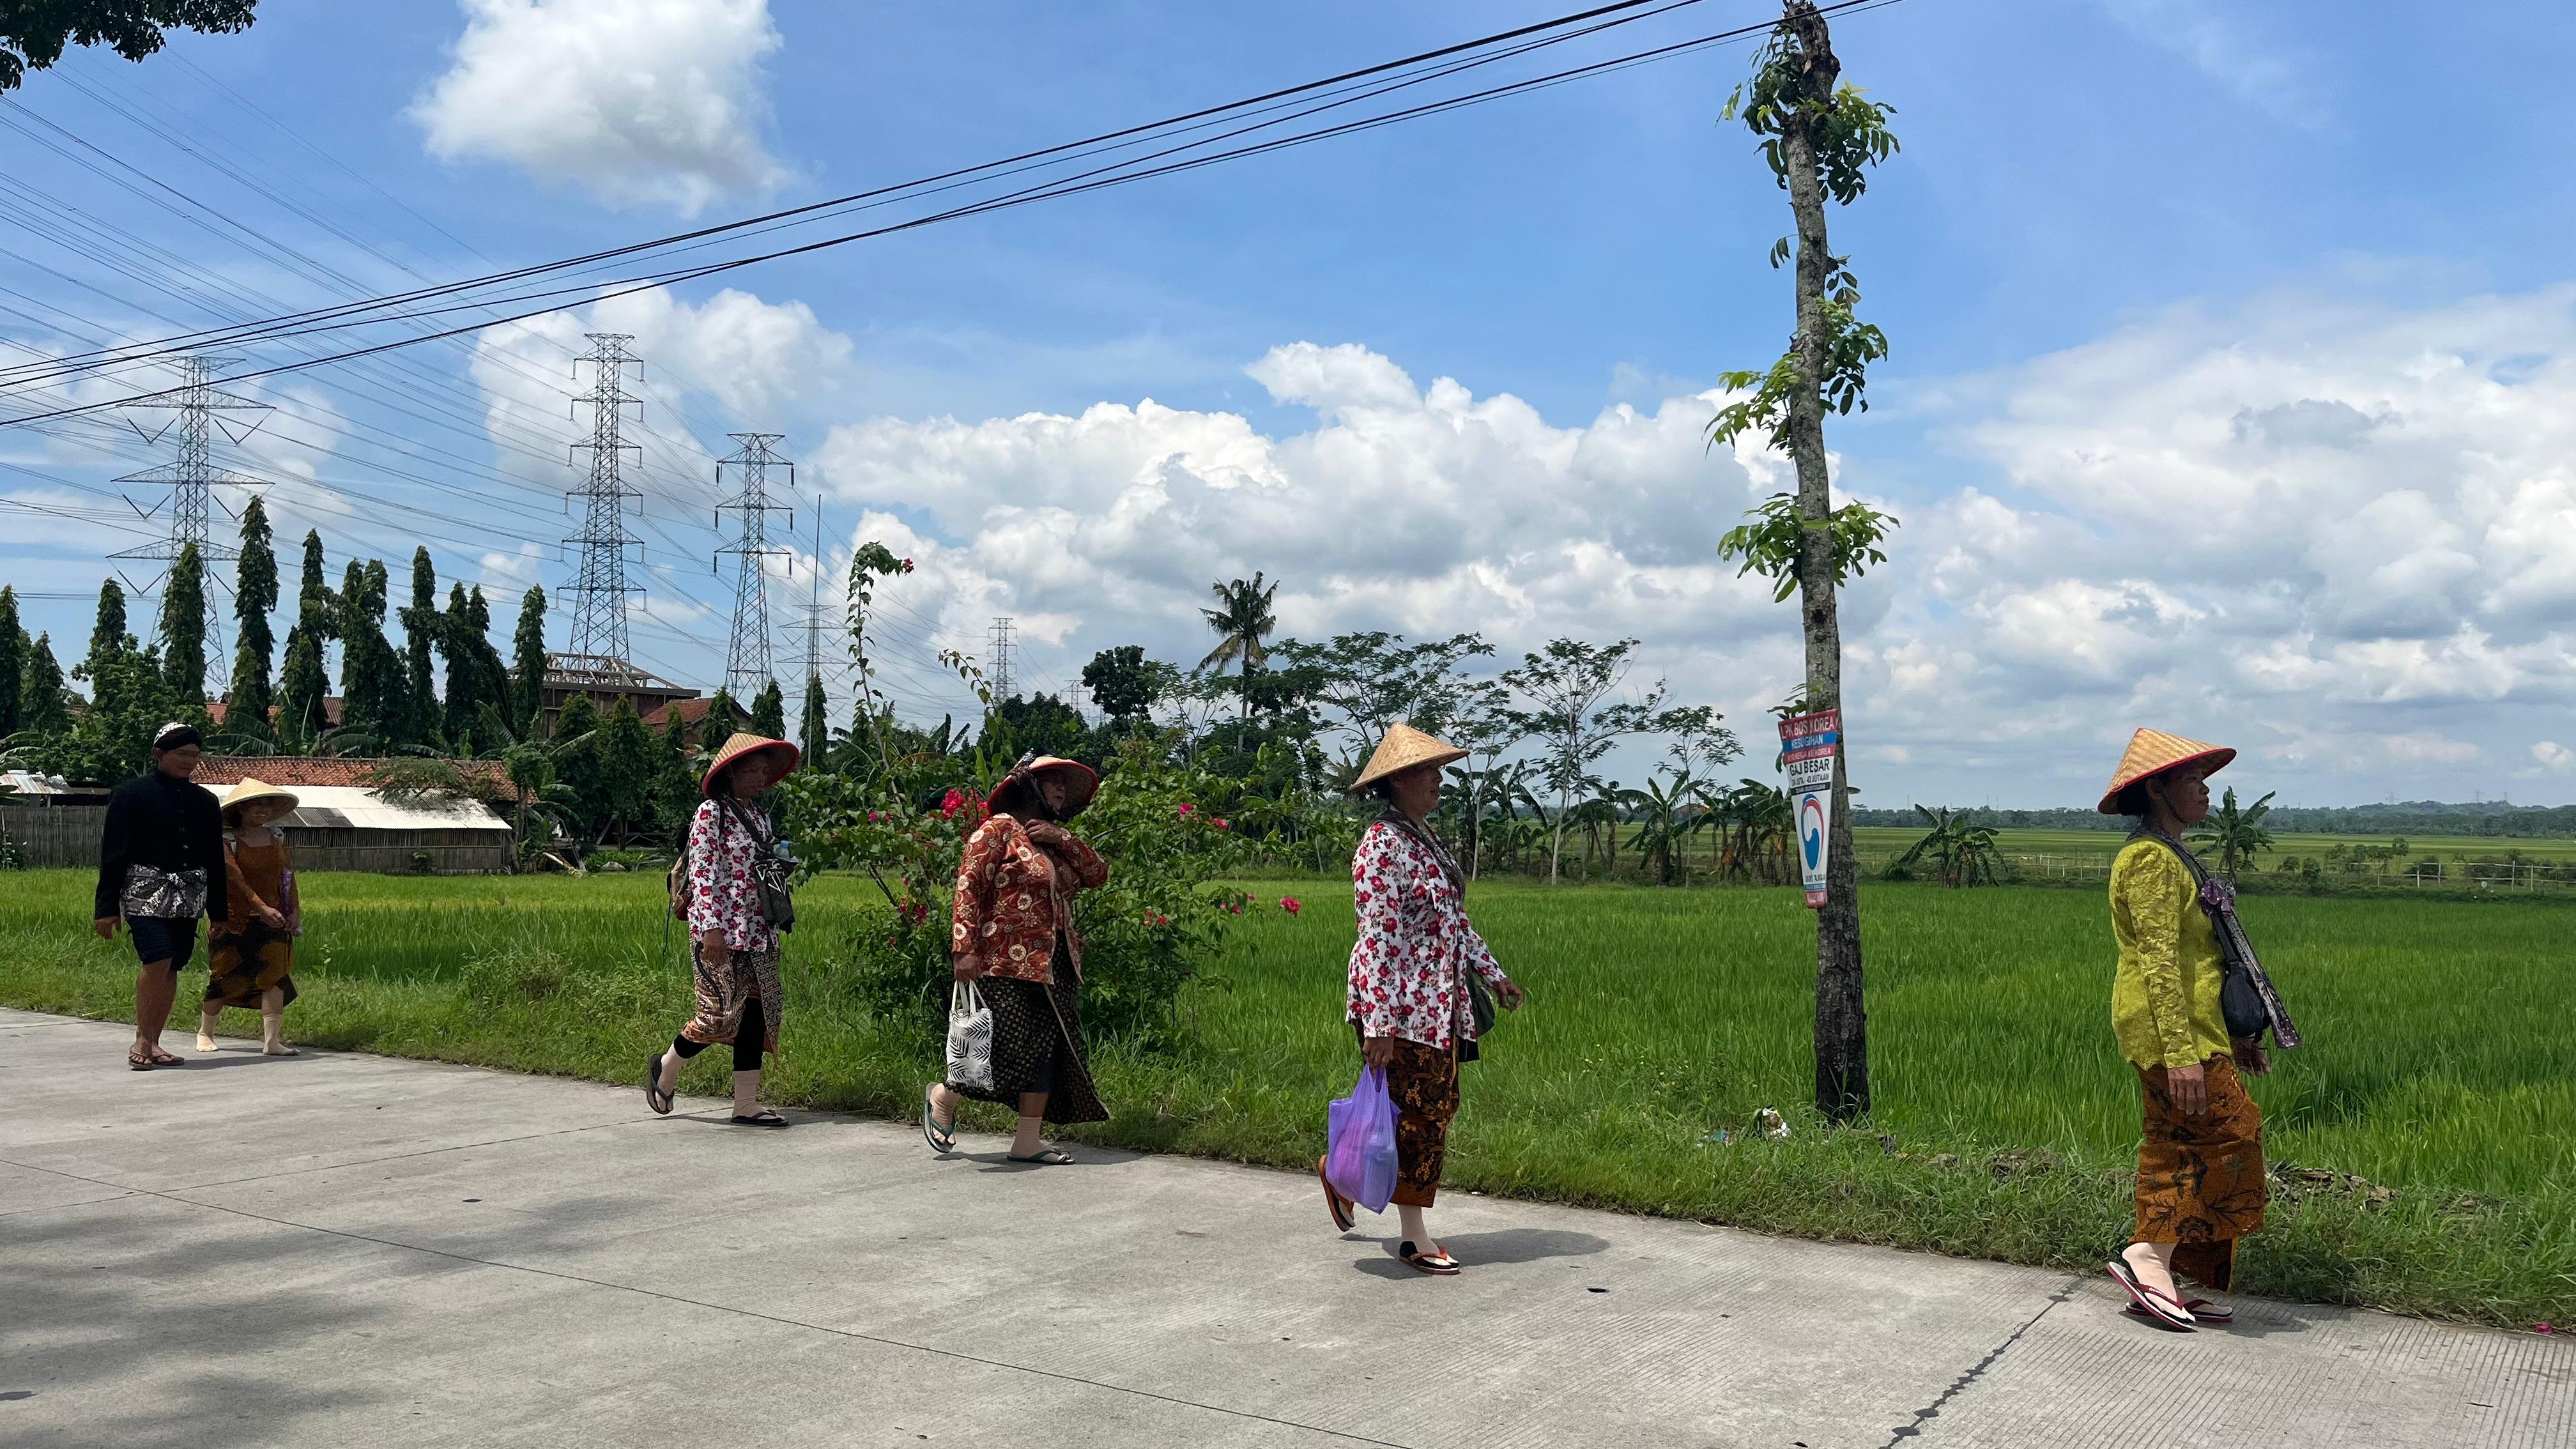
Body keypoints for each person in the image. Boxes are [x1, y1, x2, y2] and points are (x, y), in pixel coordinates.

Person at [1328, 723, 1525, 1275]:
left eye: (1438, 770)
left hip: (1440, 1007)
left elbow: (1452, 924)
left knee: (1423, 1114)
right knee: (1419, 1119)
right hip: (1402, 1010)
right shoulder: (1381, 846)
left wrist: (1493, 975)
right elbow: (1378, 939)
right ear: (1397, 781)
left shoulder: (1423, 839)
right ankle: (1414, 1238)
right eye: (1427, 771)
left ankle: (1341, 1169)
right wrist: (1380, 1024)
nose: (1439, 780)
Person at [2100, 728, 2272, 1331]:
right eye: (2191, 781)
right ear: (2156, 789)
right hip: (2165, 1030)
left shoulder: (2176, 853)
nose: (2204, 791)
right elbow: (2160, 964)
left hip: (2196, 1030)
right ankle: (2150, 1256)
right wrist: (2181, 1056)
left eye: (2204, 780)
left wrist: (2237, 1036)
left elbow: (2209, 960)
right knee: (2229, 1133)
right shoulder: (2149, 860)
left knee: (2180, 1142)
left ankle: (2161, 1269)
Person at [924, 753, 1110, 1165]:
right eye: (1052, 781)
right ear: (1027, 786)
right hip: (1002, 960)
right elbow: (968, 886)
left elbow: (1098, 874)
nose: (1061, 789)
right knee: (1000, 1046)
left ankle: (1027, 1141)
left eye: (1065, 782)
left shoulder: (1053, 842)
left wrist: (1062, 839)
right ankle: (944, 1095)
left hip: (1053, 962)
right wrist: (963, 948)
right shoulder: (997, 830)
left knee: (1045, 1047)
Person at [645, 732, 800, 1127]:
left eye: (765, 771)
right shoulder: (711, 813)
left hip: (759, 932)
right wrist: (711, 928)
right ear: (731, 771)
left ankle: (746, 1104)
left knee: (755, 1014)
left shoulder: (762, 818)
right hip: (721, 933)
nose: (760, 778)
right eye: (752, 770)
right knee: (718, 1015)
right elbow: (703, 873)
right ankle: (667, 1066)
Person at [94, 722, 227, 1070]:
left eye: (195, 756)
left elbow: (215, 858)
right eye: (182, 754)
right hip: (145, 891)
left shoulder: (206, 801)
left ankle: (154, 1042)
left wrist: (220, 913)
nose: (189, 761)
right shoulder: (130, 795)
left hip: (190, 894)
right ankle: (141, 1037)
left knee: (172, 965)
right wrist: (106, 908)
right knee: (157, 958)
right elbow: (113, 854)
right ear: (160, 755)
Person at [197, 779, 303, 1057]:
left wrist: (294, 910)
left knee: (275, 976)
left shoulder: (277, 838)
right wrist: (261, 907)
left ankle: (272, 1041)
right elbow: (236, 882)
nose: (262, 811)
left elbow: (287, 877)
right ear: (241, 809)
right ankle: (205, 1032)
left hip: (276, 919)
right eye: (256, 805)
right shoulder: (227, 842)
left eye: (267, 806)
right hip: (234, 920)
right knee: (223, 976)